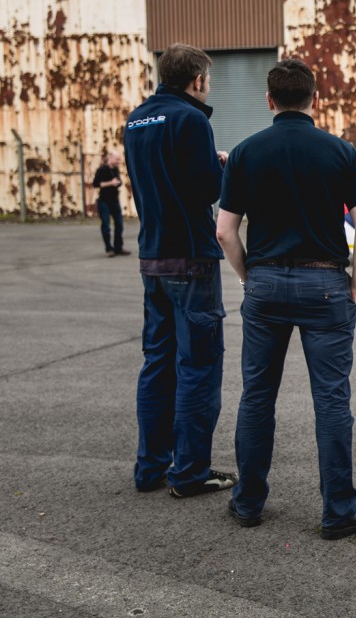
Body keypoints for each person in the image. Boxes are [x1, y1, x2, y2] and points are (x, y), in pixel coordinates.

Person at [216, 58, 356, 539]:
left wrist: (252, 278)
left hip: (266, 285)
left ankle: (248, 503)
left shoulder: (246, 153)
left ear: (269, 100)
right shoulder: (340, 152)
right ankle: (338, 511)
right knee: (331, 400)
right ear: (315, 98)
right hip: (324, 286)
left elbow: (225, 232)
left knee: (257, 397)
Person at [123, 43, 236, 497]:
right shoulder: (191, 119)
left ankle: (150, 468)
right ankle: (190, 472)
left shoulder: (137, 118)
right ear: (197, 79)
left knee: (157, 363)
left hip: (152, 256)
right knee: (198, 367)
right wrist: (222, 164)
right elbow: (207, 187)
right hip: (191, 256)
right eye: (207, 77)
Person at [92, 151, 130, 257]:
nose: (119, 162)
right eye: (117, 159)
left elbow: (118, 182)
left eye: (119, 160)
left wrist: (118, 183)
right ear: (111, 158)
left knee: (119, 224)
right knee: (106, 226)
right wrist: (110, 183)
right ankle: (109, 248)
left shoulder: (116, 170)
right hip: (104, 201)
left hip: (114, 201)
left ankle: (118, 248)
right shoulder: (102, 170)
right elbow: (96, 184)